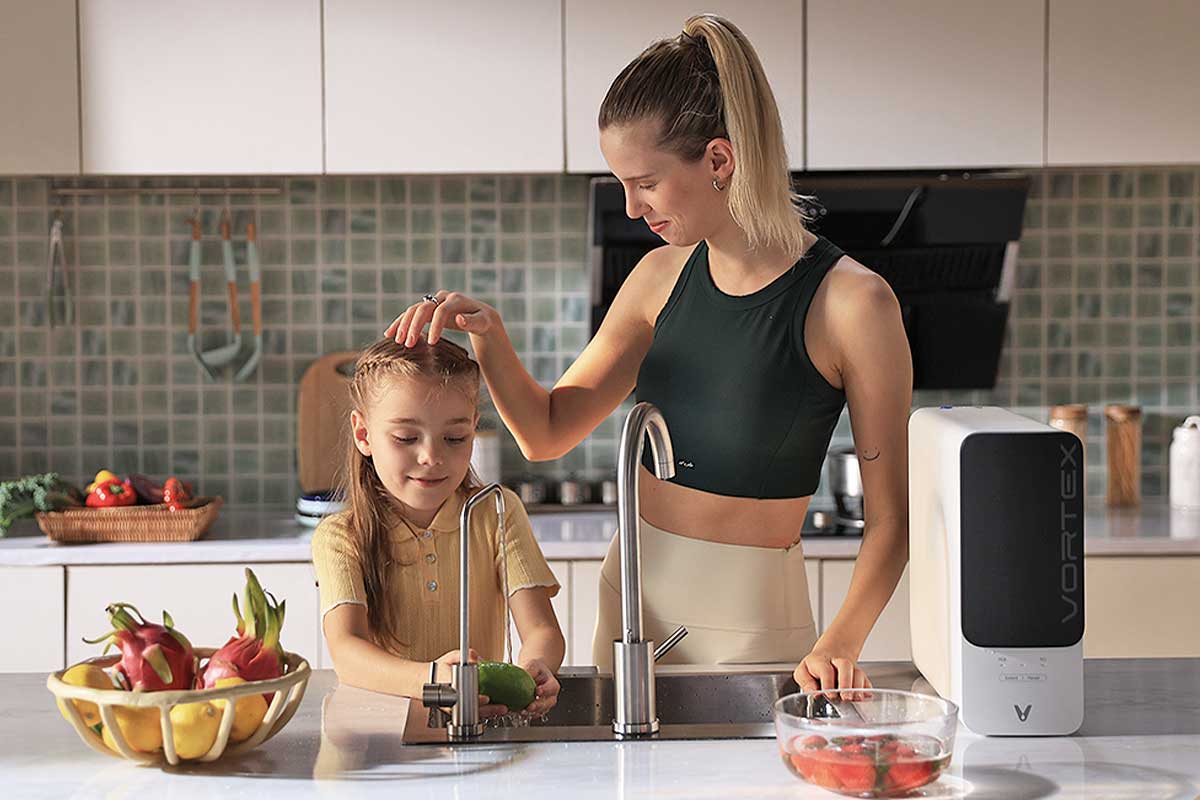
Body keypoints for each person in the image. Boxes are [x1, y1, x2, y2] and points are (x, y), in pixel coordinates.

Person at [384, 14, 911, 693]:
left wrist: (839, 642)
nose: (633, 209)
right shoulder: (659, 278)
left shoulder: (853, 304)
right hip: (630, 595)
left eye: (647, 183)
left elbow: (890, 523)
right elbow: (547, 432)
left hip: (752, 621)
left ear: (719, 160)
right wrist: (488, 338)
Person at [312, 337, 565, 714]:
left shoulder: (497, 513)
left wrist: (536, 667)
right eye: (406, 438)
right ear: (363, 435)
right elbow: (347, 652)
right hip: (384, 736)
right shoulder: (340, 537)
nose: (431, 457)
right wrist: (435, 680)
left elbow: (542, 629)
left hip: (479, 728)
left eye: (454, 438)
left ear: (474, 430)